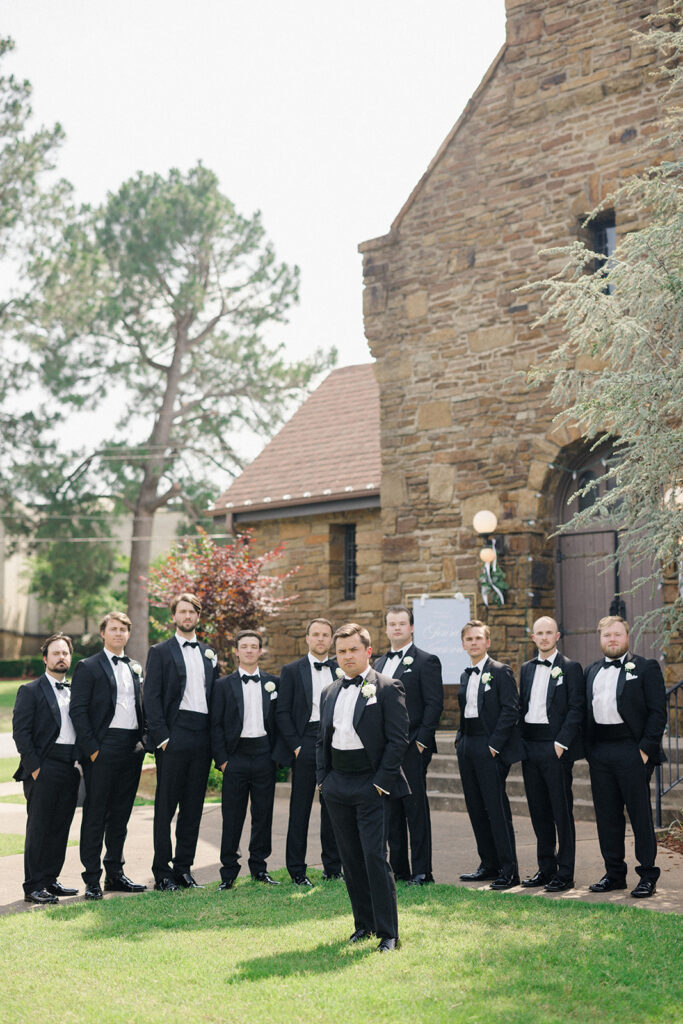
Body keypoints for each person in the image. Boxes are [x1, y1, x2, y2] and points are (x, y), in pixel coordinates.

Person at [316, 623, 409, 952]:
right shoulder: (329, 692)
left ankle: (389, 932)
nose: (346, 656)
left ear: (368, 651)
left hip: (371, 784)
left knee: (373, 857)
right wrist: (323, 781)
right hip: (337, 784)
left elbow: (398, 741)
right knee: (350, 859)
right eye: (341, 651)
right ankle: (364, 925)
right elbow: (322, 740)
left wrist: (381, 784)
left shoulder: (386, 687)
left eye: (353, 649)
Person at [584, 615, 667, 898]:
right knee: (607, 816)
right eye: (607, 636)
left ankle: (647, 875)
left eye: (617, 634)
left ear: (627, 637)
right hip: (601, 751)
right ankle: (614, 873)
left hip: (632, 749)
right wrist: (589, 751)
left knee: (640, 816)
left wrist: (645, 750)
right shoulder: (592, 671)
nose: (612, 640)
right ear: (600, 639)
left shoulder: (645, 667)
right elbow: (585, 712)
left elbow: (658, 712)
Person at [144, 592, 219, 891]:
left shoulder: (209, 653)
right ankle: (162, 873)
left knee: (193, 806)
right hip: (174, 734)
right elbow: (151, 697)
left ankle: (184, 869)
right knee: (166, 807)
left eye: (192, 612)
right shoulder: (160, 651)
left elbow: (214, 696)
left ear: (198, 617)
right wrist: (162, 738)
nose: (187, 616)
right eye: (182, 611)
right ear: (174, 616)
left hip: (202, 735)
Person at [69, 611, 147, 900]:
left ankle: (116, 873)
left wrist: (144, 742)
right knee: (95, 814)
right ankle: (91, 879)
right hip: (103, 748)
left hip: (132, 748)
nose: (118, 634)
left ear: (128, 634)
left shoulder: (135, 667)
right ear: (103, 633)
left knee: (121, 815)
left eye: (123, 630)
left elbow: (142, 705)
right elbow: (78, 710)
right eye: (113, 629)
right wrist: (93, 750)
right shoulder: (88, 667)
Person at [372, 604, 443, 885]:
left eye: (402, 623)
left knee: (415, 810)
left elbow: (434, 705)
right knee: (390, 811)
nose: (397, 628)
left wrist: (421, 744)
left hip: (412, 747)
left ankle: (423, 871)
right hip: (384, 750)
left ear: (411, 627)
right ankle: (399, 869)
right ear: (387, 628)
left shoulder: (427, 661)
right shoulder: (377, 664)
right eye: (392, 624)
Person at [12, 633, 81, 904]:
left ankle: (51, 880)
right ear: (45, 658)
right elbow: (21, 733)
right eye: (56, 653)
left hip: (69, 768)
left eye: (65, 653)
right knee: (39, 828)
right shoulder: (29, 691)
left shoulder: (75, 692)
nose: (61, 657)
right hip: (44, 767)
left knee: (60, 827)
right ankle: (33, 886)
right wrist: (36, 769)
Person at [456, 619, 524, 890]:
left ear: (487, 642)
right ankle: (488, 864)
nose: (473, 643)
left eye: (478, 638)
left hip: (490, 747)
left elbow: (511, 710)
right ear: (463, 644)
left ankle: (510, 870)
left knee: (496, 809)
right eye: (469, 639)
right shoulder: (465, 674)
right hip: (467, 745)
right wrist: (460, 741)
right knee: (475, 807)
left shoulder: (500, 671)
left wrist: (494, 746)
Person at [274, 617, 342, 886]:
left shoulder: (340, 668)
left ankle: (333, 867)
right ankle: (297, 870)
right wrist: (297, 746)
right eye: (316, 634)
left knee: (334, 807)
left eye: (326, 634)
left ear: (332, 639)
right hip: (305, 741)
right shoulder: (291, 670)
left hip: (335, 743)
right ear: (307, 638)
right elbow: (282, 711)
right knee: (299, 809)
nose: (321, 639)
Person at [519, 616, 584, 892]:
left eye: (549, 633)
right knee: (538, 811)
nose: (544, 637)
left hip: (555, 747)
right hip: (530, 746)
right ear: (532, 637)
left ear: (557, 636)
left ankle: (565, 872)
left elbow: (577, 708)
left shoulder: (570, 668)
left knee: (560, 811)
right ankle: (545, 868)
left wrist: (561, 743)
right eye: (539, 633)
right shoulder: (525, 669)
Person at [210, 630, 280, 889]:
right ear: (236, 652)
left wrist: (275, 758)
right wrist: (223, 760)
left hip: (264, 756)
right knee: (232, 816)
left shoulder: (274, 683)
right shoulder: (222, 685)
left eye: (254, 646)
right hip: (235, 758)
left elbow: (280, 722)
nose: (250, 650)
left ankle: (259, 868)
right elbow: (215, 725)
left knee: (263, 816)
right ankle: (228, 872)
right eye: (245, 646)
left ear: (260, 651)